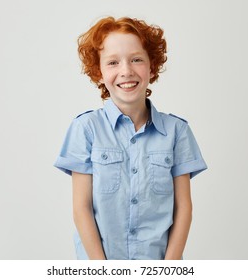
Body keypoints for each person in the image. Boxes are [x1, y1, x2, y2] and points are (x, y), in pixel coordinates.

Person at [54, 16, 207, 260]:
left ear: (152, 66)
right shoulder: (86, 128)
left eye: (136, 59)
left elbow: (184, 207)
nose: (126, 71)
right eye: (113, 62)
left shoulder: (177, 131)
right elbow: (81, 208)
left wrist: (170, 267)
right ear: (99, 72)